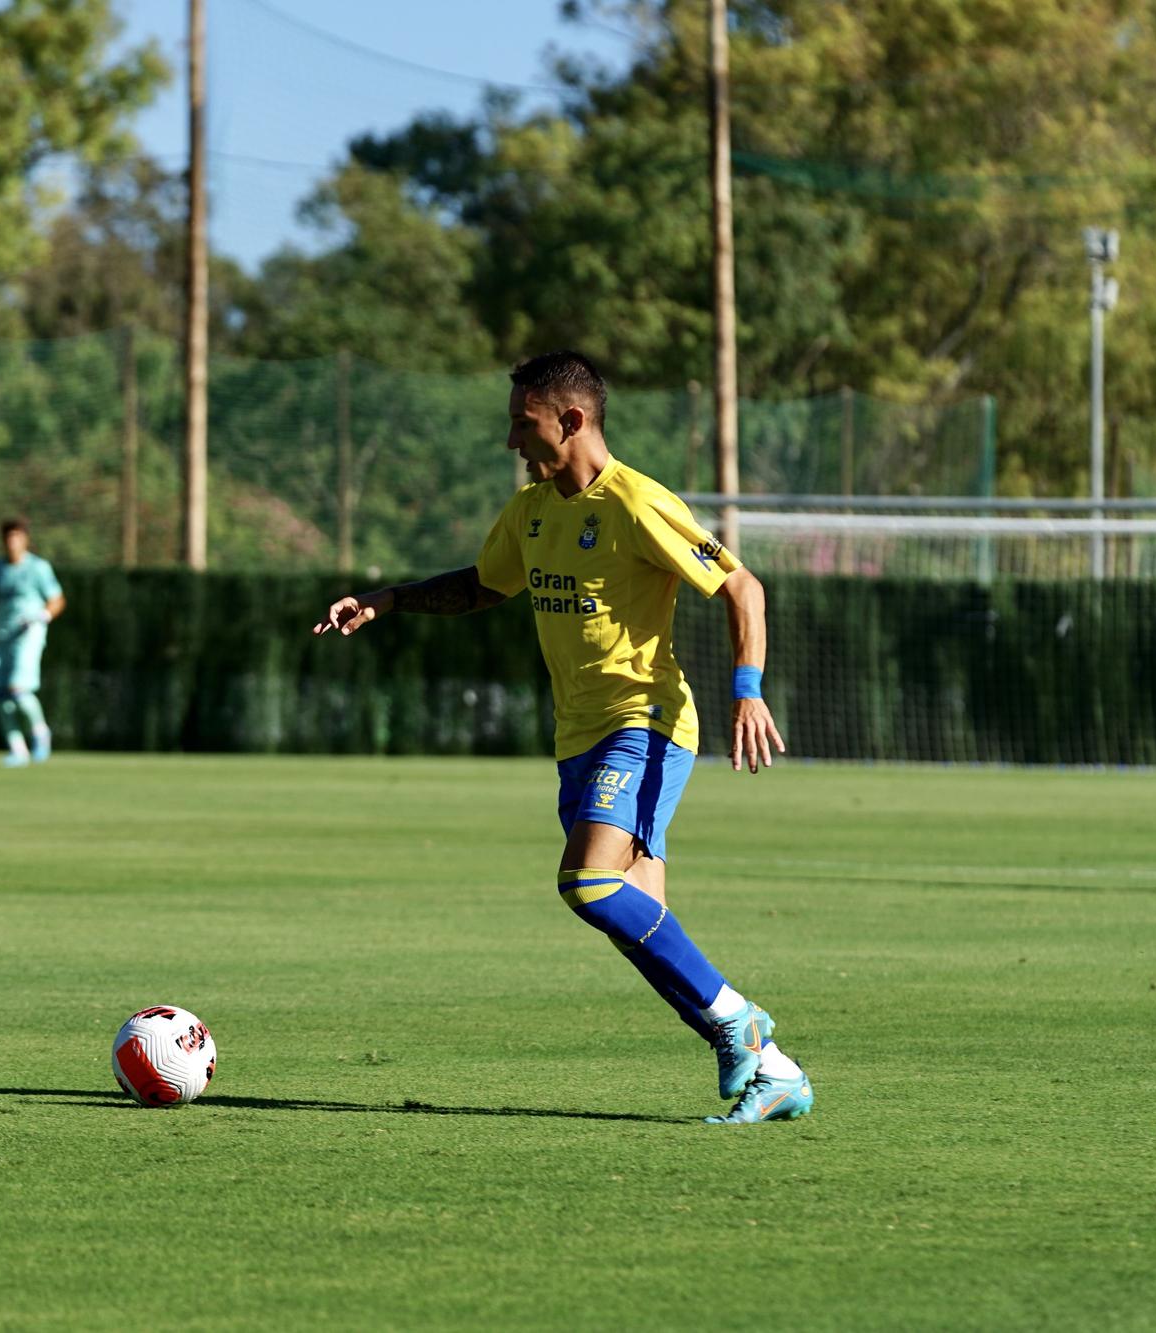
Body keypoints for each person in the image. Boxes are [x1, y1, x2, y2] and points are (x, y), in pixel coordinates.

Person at [313, 351, 812, 1124]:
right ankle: (772, 1068)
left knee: (586, 881)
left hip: (645, 724)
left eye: (524, 421)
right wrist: (389, 599)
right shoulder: (533, 510)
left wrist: (747, 691)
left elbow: (743, 585)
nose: (512, 438)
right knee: (636, 923)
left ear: (571, 420)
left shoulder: (637, 503)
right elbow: (484, 584)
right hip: (577, 738)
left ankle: (742, 1022)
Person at [0, 518, 64, 767]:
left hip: (28, 636)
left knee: (18, 688)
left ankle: (40, 733)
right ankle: (18, 749)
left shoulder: (38, 568)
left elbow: (57, 600)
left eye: (17, 536)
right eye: (8, 537)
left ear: (25, 539)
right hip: (2, 636)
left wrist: (42, 616)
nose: (12, 542)